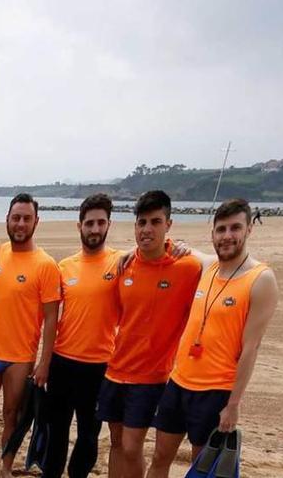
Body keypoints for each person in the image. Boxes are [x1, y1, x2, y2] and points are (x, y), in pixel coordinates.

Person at [147, 198, 279, 477]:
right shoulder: (208, 266)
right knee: (160, 456)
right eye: (221, 229)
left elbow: (251, 348)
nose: (227, 236)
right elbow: (175, 247)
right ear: (213, 234)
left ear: (248, 230)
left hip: (216, 390)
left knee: (203, 465)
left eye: (235, 228)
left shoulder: (260, 279)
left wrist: (233, 406)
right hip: (179, 381)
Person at [97, 190, 202, 478]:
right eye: (142, 222)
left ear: (168, 224)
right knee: (116, 443)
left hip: (151, 377)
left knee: (132, 447)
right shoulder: (125, 265)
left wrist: (184, 247)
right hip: (115, 370)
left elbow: (226, 265)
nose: (147, 229)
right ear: (134, 227)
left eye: (155, 222)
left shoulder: (188, 267)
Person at [0, 193, 62, 478]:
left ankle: (5, 468)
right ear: (7, 219)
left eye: (26, 218)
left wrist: (45, 363)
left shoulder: (45, 265)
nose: (20, 224)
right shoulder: (0, 253)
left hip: (20, 357)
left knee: (11, 416)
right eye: (15, 217)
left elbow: (52, 319)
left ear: (36, 222)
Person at [43, 193, 121, 478]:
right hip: (62, 362)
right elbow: (49, 316)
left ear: (109, 225)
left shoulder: (120, 263)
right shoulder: (64, 267)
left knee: (89, 435)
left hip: (100, 365)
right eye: (89, 223)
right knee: (56, 431)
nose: (95, 229)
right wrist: (44, 361)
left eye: (101, 223)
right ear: (80, 226)